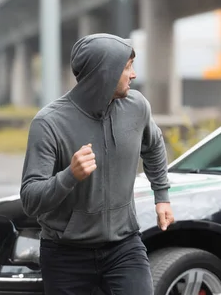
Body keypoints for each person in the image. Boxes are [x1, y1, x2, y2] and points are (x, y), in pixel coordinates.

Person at [20, 33, 174, 295]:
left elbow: (154, 145)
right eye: (127, 67)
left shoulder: (137, 106)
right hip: (65, 254)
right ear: (104, 73)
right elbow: (30, 199)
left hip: (124, 246)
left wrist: (162, 195)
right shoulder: (48, 124)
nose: (134, 75)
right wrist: (69, 175)